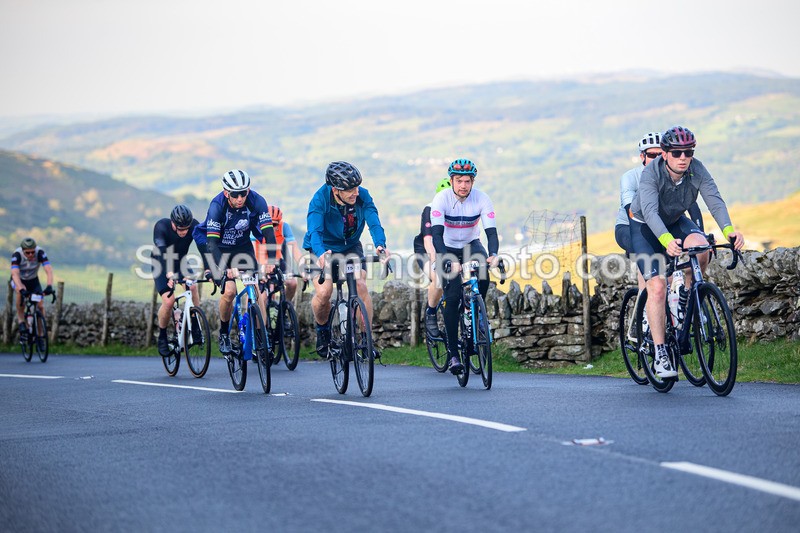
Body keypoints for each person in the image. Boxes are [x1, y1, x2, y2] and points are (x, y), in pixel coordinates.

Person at [628, 126, 744, 378]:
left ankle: (686, 294)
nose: (683, 157)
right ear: (666, 154)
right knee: (657, 287)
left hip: (675, 220)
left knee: (701, 247)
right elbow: (649, 211)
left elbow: (714, 199)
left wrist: (729, 230)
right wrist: (667, 240)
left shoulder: (697, 169)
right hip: (645, 227)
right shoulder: (651, 173)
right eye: (678, 152)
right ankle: (660, 353)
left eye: (688, 152)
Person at [303, 161, 391, 358]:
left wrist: (380, 245)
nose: (356, 193)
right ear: (335, 190)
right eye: (350, 190)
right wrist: (320, 253)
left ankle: (365, 340)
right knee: (324, 292)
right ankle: (323, 332)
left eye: (357, 187)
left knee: (360, 284)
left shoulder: (362, 195)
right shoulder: (319, 200)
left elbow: (374, 222)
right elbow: (314, 231)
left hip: (350, 246)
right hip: (322, 247)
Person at [193, 169, 276, 355]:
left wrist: (271, 261)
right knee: (229, 291)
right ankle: (223, 333)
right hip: (218, 248)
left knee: (255, 287)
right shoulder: (217, 205)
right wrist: (225, 269)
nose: (240, 198)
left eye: (243, 193)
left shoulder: (257, 201)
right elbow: (211, 243)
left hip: (242, 247)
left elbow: (269, 233)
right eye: (235, 194)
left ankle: (262, 336)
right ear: (226, 193)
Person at [430, 159, 500, 374]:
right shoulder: (441, 199)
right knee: (451, 299)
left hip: (471, 244)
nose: (463, 185)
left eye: (467, 181)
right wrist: (447, 260)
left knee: (484, 274)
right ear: (451, 180)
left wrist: (494, 254)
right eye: (459, 180)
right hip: (447, 246)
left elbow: (491, 233)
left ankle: (475, 312)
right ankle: (453, 355)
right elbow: (436, 235)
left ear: (473, 181)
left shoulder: (482, 198)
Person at [615, 131, 704, 289]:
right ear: (642, 157)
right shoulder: (631, 177)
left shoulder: (674, 175)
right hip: (630, 227)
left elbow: (692, 207)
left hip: (662, 226)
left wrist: (700, 235)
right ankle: (646, 304)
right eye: (652, 155)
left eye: (660, 154)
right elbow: (630, 212)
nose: (657, 159)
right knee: (654, 274)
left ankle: (688, 303)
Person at [152, 204, 201, 356]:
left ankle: (195, 323)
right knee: (168, 301)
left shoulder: (194, 226)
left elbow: (204, 246)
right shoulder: (162, 226)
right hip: (161, 262)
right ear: (173, 223)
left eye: (186, 229)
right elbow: (161, 251)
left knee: (192, 287)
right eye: (180, 229)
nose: (183, 232)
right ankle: (162, 336)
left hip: (180, 262)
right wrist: (169, 273)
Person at [413, 177, 451, 338]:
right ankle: (431, 314)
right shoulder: (430, 209)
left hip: (448, 248)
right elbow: (428, 241)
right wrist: (435, 262)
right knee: (439, 277)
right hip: (425, 250)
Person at [253, 205, 305, 302]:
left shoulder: (284, 227)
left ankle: (285, 305)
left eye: (275, 225)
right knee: (261, 295)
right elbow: (251, 249)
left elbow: (295, 249)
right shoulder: (255, 227)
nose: (272, 228)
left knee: (292, 283)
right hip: (258, 261)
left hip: (277, 260)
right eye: (269, 224)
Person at [10, 237, 54, 344]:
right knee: (20, 292)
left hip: (33, 280)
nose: (30, 255)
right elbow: (14, 273)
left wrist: (49, 286)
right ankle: (21, 321)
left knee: (40, 306)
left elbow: (48, 270)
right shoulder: (17, 255)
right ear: (23, 251)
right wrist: (21, 288)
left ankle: (39, 336)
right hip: (19, 280)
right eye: (28, 253)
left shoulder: (40, 252)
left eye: (32, 252)